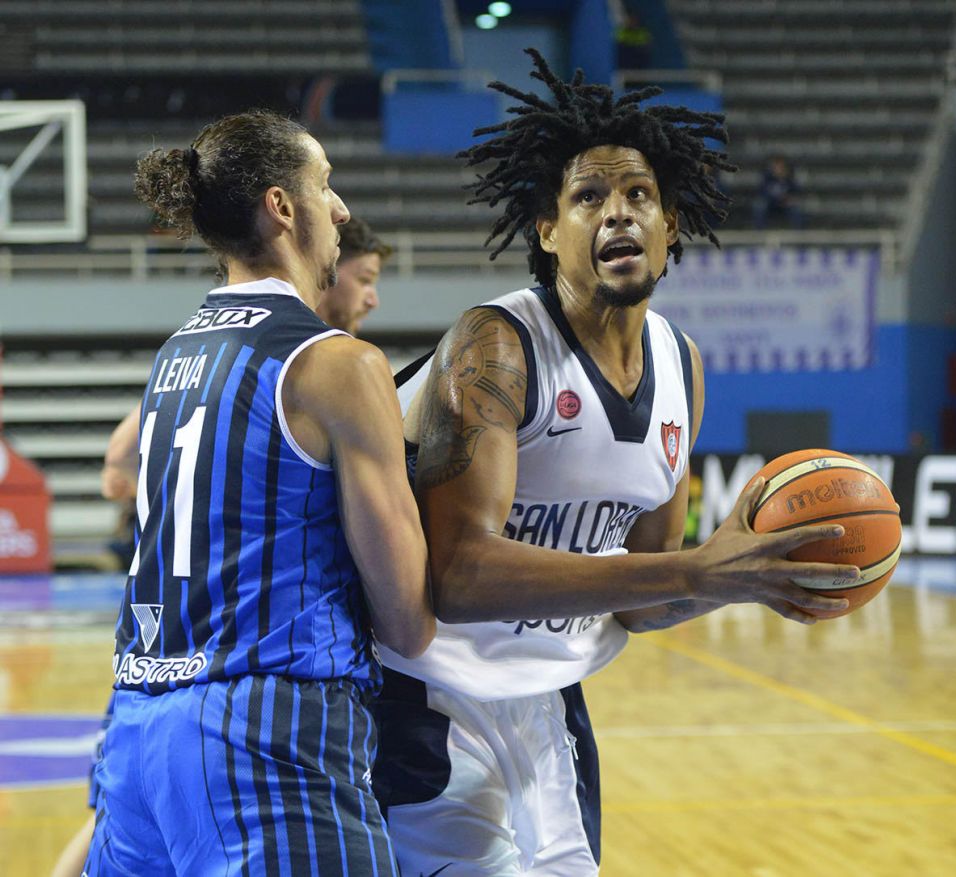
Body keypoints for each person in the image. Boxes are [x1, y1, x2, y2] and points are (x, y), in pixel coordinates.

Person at [371, 49, 859, 875]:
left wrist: (742, 577)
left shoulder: (682, 365)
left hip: (551, 697)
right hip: (426, 689)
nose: (618, 213)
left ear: (672, 226)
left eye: (639, 195)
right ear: (547, 230)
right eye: (588, 197)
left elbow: (642, 595)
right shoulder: (496, 346)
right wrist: (695, 570)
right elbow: (457, 575)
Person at [80, 109, 434, 876]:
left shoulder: (175, 355)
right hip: (265, 732)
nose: (340, 209)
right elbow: (407, 619)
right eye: (325, 185)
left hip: (137, 733)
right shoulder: (337, 363)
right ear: (282, 206)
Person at [753, 153, 803, 229]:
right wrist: (777, 198)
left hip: (785, 204)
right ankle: (760, 231)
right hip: (770, 203)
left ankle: (798, 231)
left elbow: (796, 191)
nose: (779, 169)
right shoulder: (767, 177)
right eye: (776, 167)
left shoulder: (789, 178)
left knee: (796, 209)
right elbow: (762, 192)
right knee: (760, 206)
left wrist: (791, 199)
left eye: (781, 167)